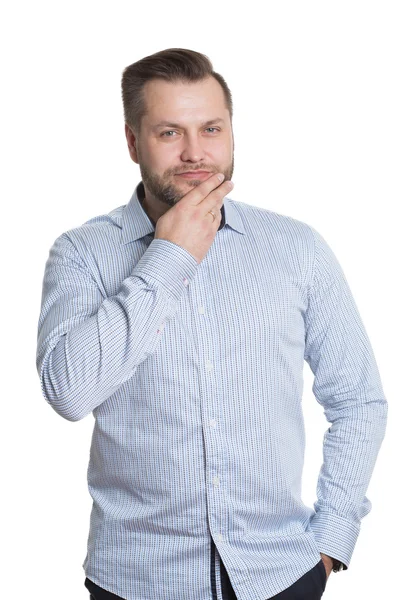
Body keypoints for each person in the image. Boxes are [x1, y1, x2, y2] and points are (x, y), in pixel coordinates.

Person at [36, 48, 388, 600]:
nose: (196, 153)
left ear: (231, 133)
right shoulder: (82, 253)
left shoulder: (297, 248)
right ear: (133, 143)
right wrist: (168, 257)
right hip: (135, 581)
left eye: (211, 129)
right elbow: (69, 393)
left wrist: (330, 541)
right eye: (170, 133)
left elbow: (358, 399)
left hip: (280, 574)